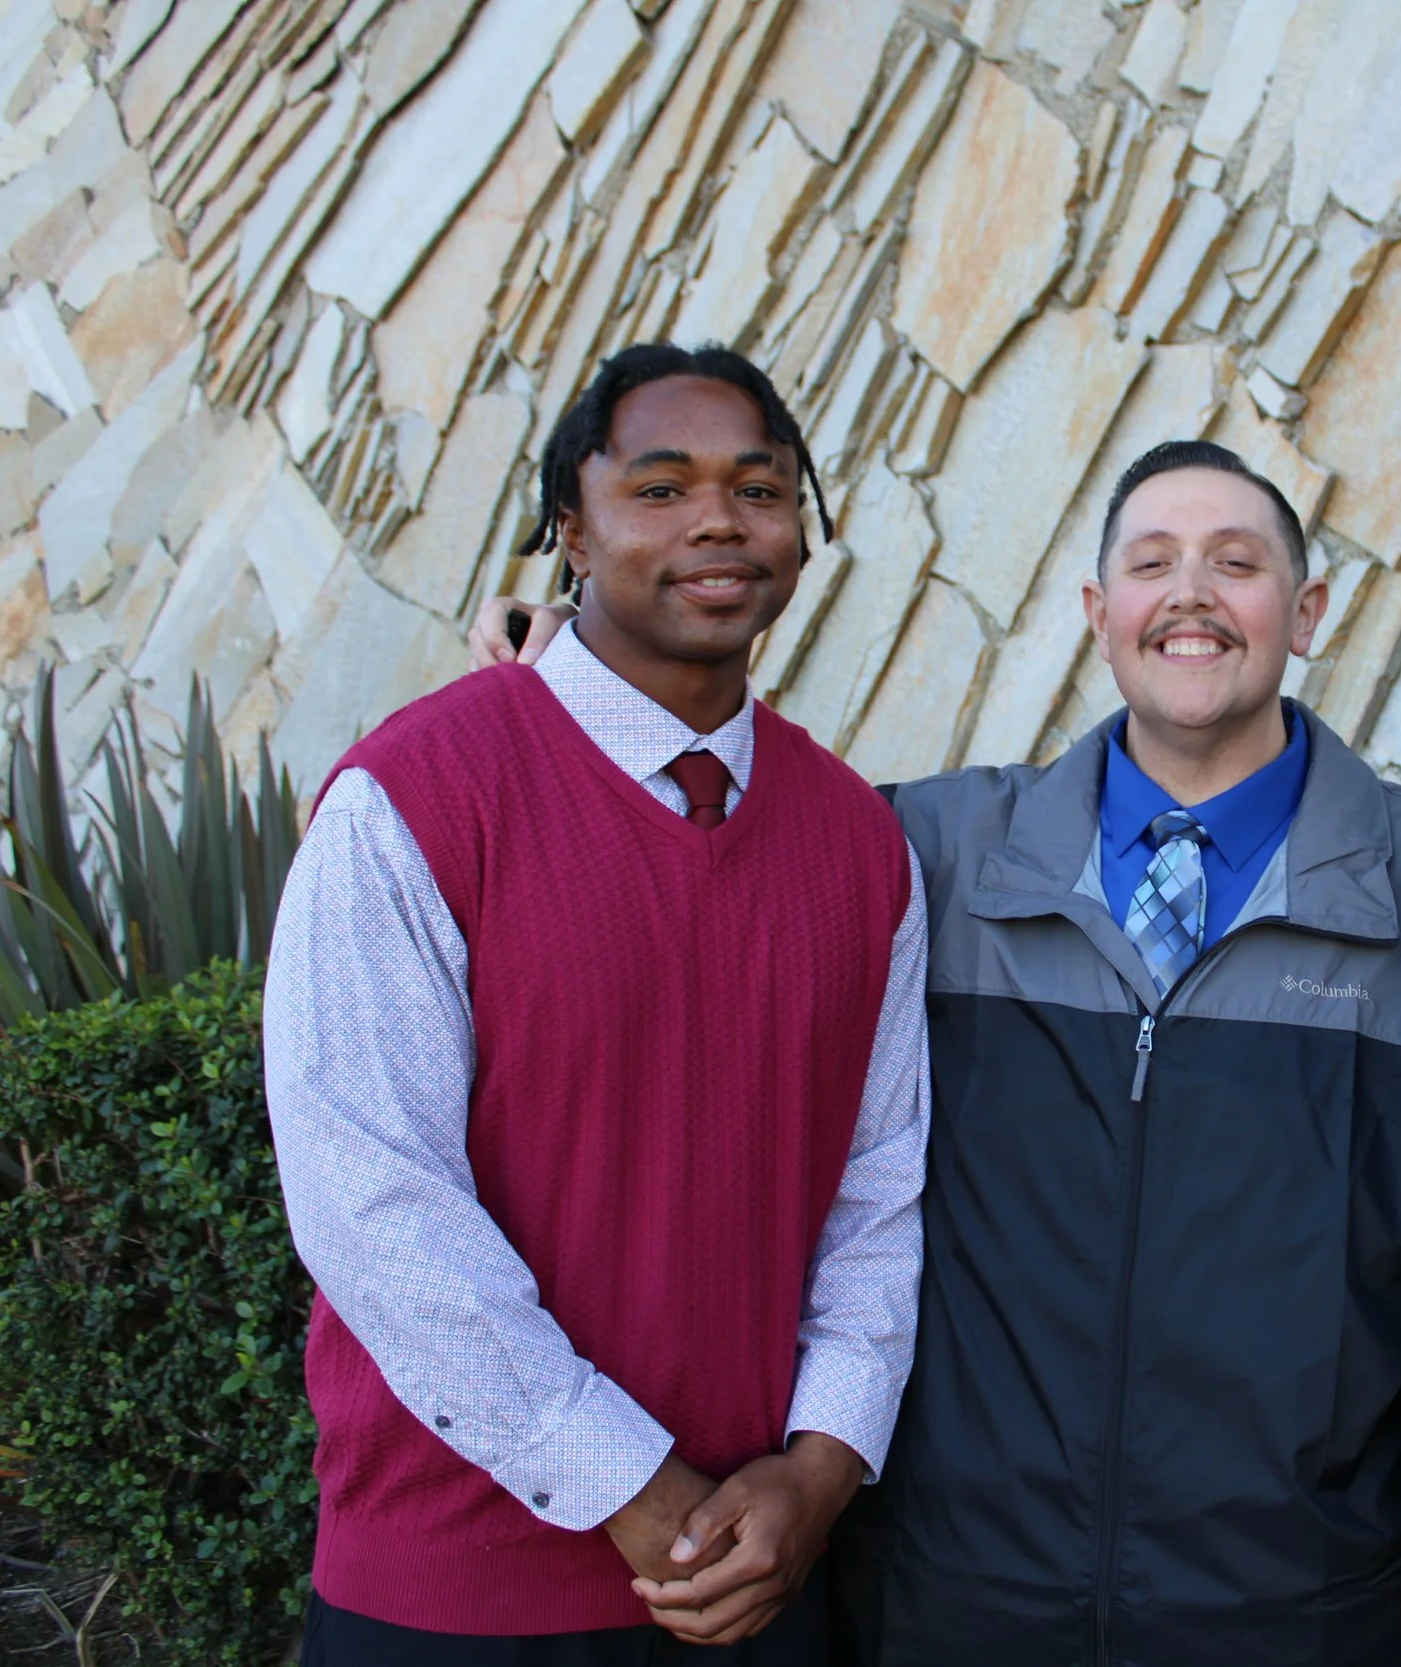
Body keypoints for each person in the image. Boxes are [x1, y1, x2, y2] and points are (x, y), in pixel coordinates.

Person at [477, 439, 1401, 1665]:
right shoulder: (926, 850)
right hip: (962, 1594)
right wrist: (539, 704)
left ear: (1306, 611)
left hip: (1301, 1609)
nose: (1193, 596)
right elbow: (691, 847)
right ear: (1100, 616)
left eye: (1238, 562)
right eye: (1152, 564)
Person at [267, 341, 929, 1665]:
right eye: (661, 486)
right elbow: (372, 1199)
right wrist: (630, 1485)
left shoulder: (862, 843)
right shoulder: (413, 798)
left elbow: (877, 1193)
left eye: (760, 486)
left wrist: (820, 1468)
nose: (718, 523)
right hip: (453, 1598)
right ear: (571, 526)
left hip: (757, 1581)